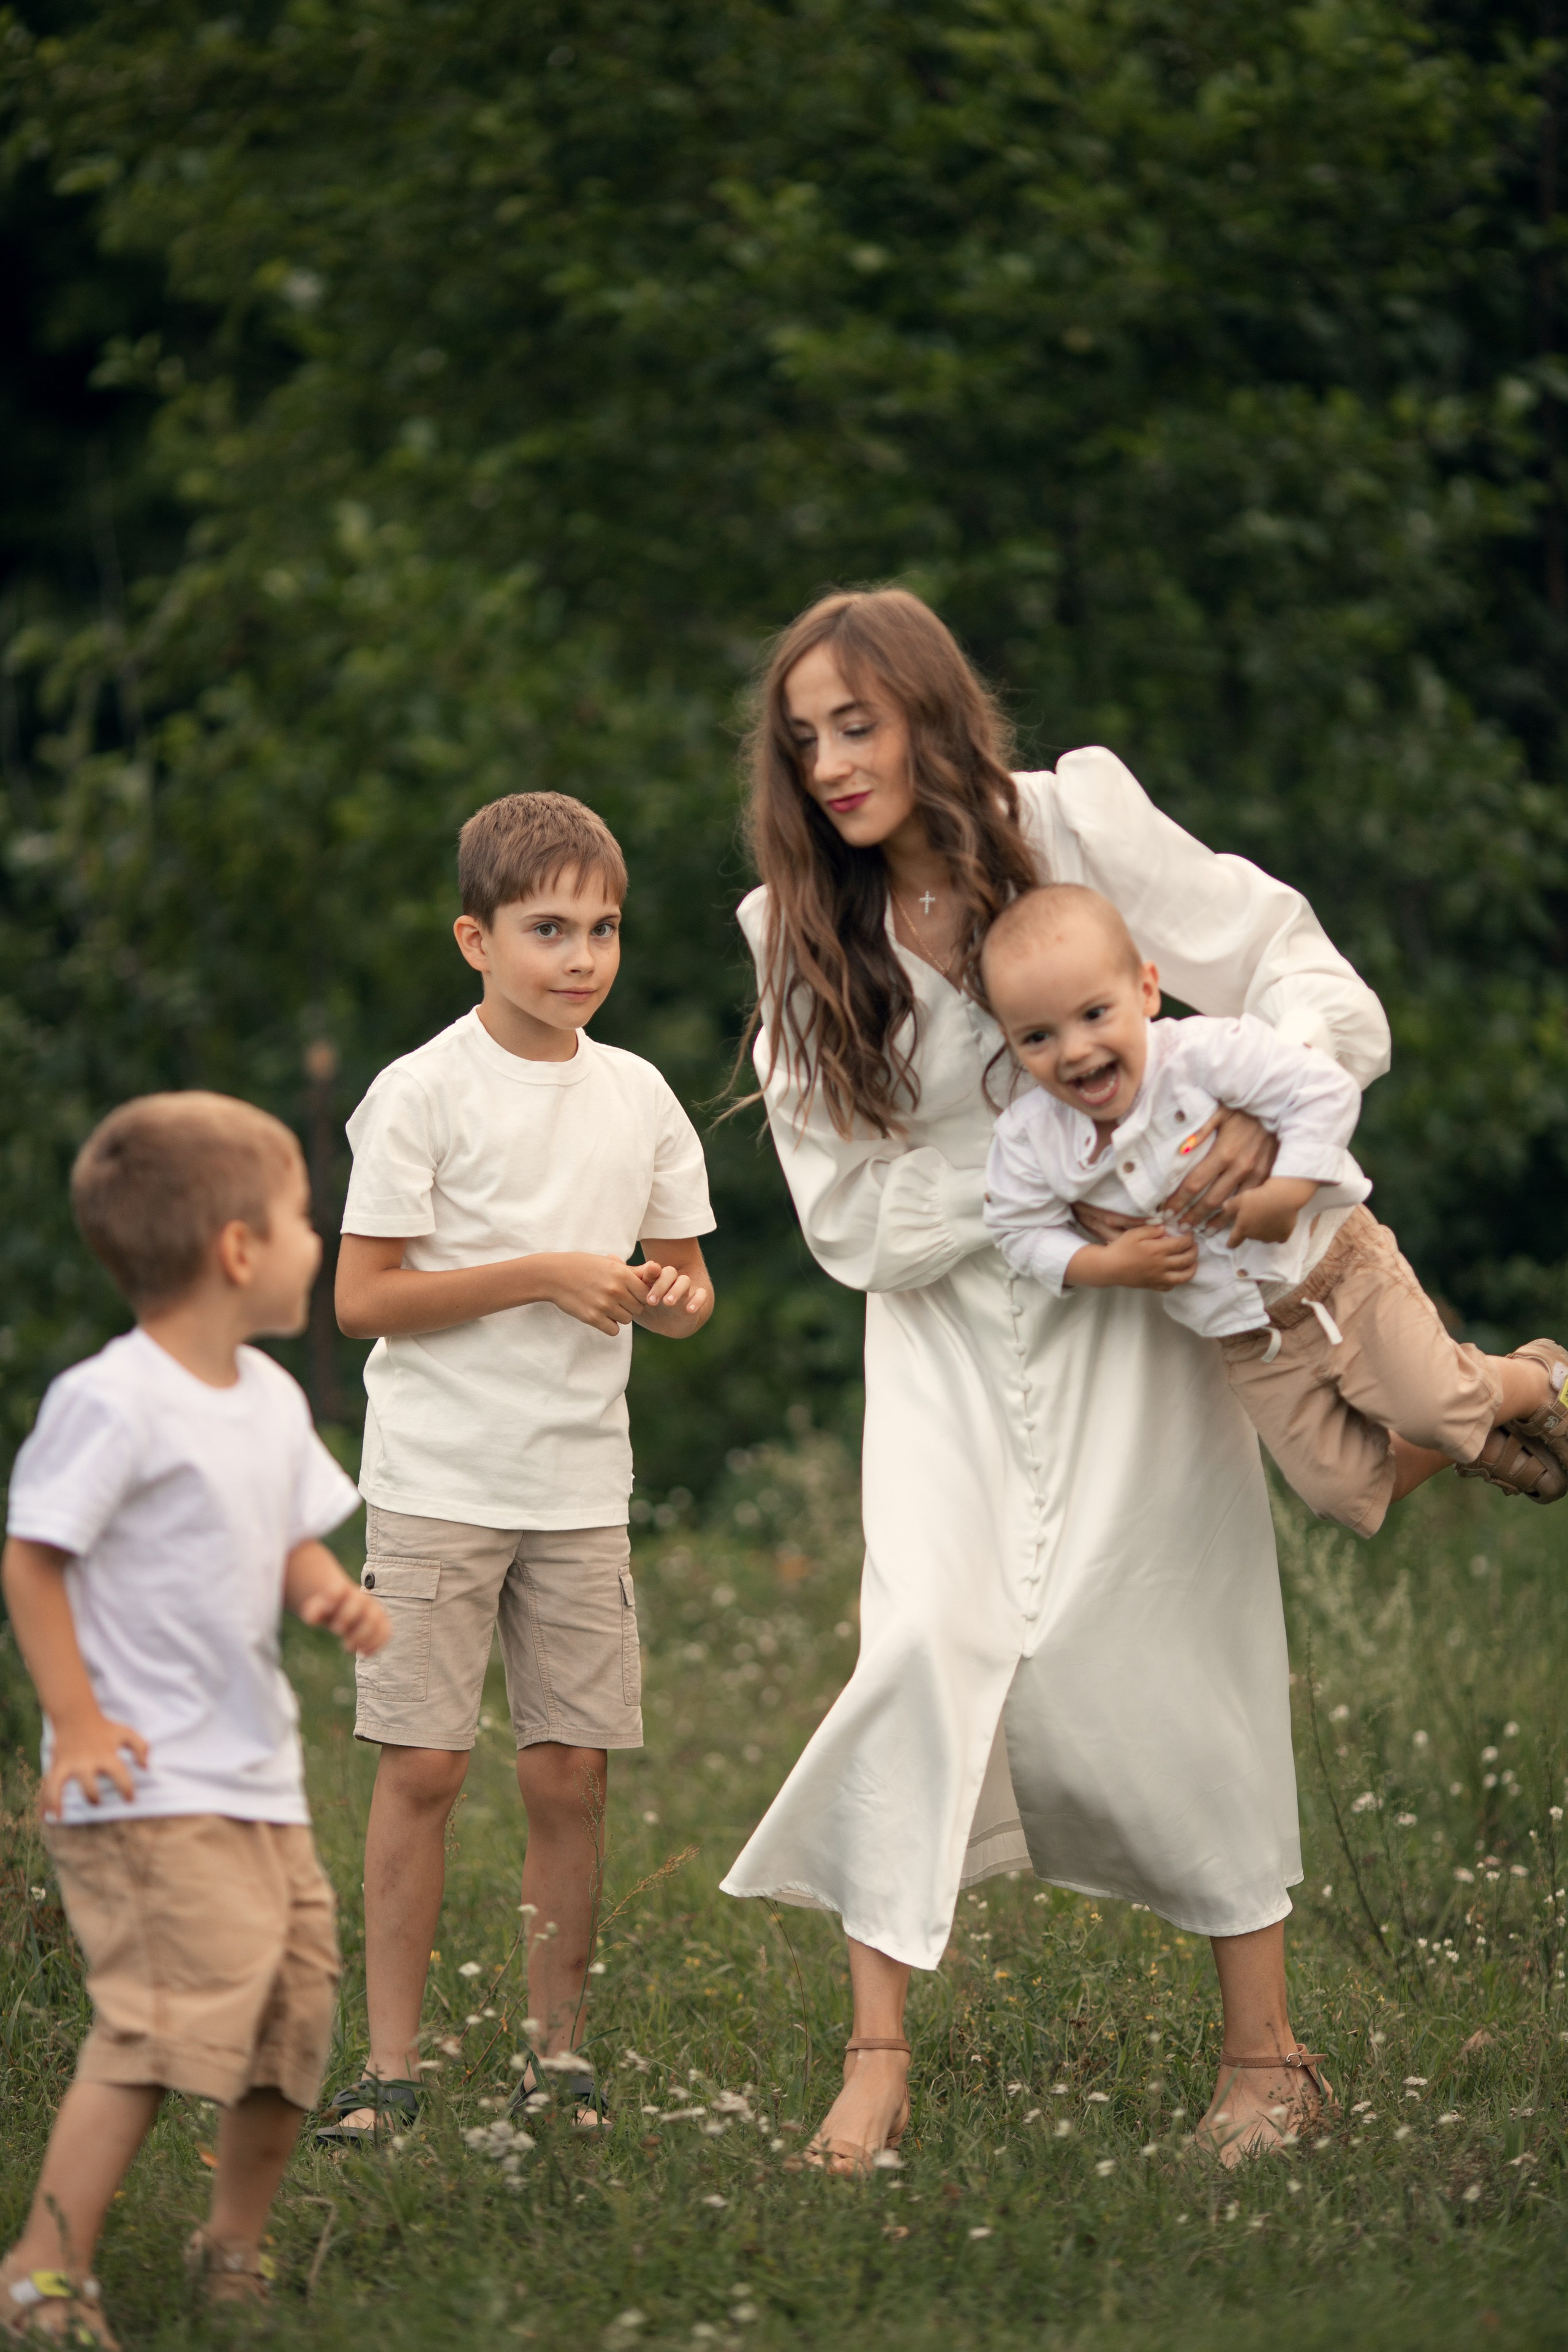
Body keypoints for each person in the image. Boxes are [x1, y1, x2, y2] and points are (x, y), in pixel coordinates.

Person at [720, 585, 1391, 2171]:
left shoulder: (1075, 821)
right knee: (921, 1639)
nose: (831, 764)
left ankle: (1268, 2058)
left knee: (1164, 1641)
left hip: (1140, 1316)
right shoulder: (792, 928)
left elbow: (1296, 967)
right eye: (804, 739)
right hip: (950, 1332)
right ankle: (874, 2058)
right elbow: (847, 1216)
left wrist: (1260, 1118)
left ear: (930, 710)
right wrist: (1039, 1187)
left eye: (858, 724)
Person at [322, 790, 715, 2144]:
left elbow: (687, 1288)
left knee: (568, 1776)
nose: (582, 956)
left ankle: (559, 2061)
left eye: (603, 929)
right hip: (436, 1480)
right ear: (474, 940)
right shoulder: (421, 1092)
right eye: (548, 928)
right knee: (423, 1770)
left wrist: (668, 1298)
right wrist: (543, 1275)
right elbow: (362, 1300)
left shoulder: (640, 1095)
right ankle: (389, 2073)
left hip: (578, 1487)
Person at [1, 1093, 386, 2347]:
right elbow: (33, 1561)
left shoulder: (265, 1396)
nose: (317, 1240)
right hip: (147, 1786)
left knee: (289, 2022)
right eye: (302, 1219)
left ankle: (231, 2252)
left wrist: (322, 1591)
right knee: (160, 2028)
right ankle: (42, 2276)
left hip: (255, 1777)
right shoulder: (114, 1401)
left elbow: (285, 1533)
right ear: (237, 1248)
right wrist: (78, 1725)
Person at [980, 881, 1568, 1531]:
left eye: (1095, 1014)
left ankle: (1541, 1379)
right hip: (1248, 1335)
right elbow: (1015, 1228)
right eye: (1038, 1036)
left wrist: (1287, 1191)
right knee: (1346, 1496)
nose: (1074, 1050)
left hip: (1335, 1268)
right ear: (1011, 1042)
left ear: (1145, 990)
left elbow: (1322, 1089)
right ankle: (1470, 1438)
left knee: (1435, 1403)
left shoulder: (1201, 1054)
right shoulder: (1030, 1138)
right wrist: (1106, 1265)